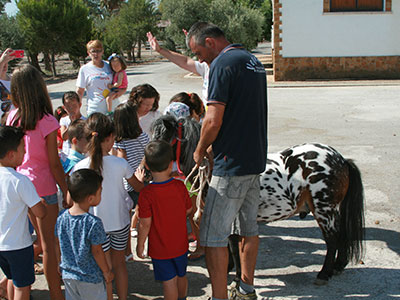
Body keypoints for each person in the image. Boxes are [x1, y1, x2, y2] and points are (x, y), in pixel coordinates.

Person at [187, 22, 268, 300]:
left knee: (211, 238)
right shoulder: (252, 61)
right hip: (254, 161)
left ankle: (219, 296)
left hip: (230, 164)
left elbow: (212, 119)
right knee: (249, 229)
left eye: (197, 52)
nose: (199, 59)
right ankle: (246, 289)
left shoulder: (222, 64)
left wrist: (199, 150)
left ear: (210, 42)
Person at [6, 65, 69, 300]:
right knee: (49, 245)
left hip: (18, 185)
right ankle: (56, 293)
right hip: (42, 189)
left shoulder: (13, 116)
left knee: (23, 240)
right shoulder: (47, 121)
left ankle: (10, 286)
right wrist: (66, 188)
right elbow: (54, 163)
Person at [72, 113, 144, 300]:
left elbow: (70, 199)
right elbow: (137, 186)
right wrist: (142, 179)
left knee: (102, 267)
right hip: (120, 222)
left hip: (94, 226)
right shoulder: (120, 163)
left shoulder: (80, 166)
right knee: (119, 264)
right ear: (110, 137)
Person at [136, 140, 192, 300]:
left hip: (160, 248)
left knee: (169, 281)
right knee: (181, 275)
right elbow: (189, 210)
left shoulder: (147, 194)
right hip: (181, 244)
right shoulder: (180, 186)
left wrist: (140, 244)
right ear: (171, 164)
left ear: (146, 166)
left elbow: (145, 223)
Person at [0, 126, 47, 300]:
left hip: (1, 246)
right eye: (23, 150)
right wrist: (40, 203)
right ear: (11, 154)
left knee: (12, 279)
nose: (25, 153)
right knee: (23, 287)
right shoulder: (20, 181)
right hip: (18, 246)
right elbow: (40, 213)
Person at [55, 169, 114, 300]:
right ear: (91, 198)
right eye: (100, 192)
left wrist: (60, 261)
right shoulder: (93, 223)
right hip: (90, 277)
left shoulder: (61, 218)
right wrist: (106, 271)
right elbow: (97, 251)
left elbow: (57, 242)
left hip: (69, 275)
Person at [112, 102, 150, 240]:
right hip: (144, 178)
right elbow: (148, 154)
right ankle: (142, 241)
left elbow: (122, 163)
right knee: (144, 212)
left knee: (125, 215)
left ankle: (127, 244)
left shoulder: (120, 142)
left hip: (128, 183)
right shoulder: (143, 136)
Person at [147, 32, 209, 107]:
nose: (200, 60)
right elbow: (185, 61)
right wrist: (160, 50)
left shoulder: (222, 67)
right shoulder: (206, 66)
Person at [76, 40, 126, 116]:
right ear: (88, 53)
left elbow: (123, 80)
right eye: (93, 51)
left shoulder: (110, 66)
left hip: (113, 108)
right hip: (96, 110)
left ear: (102, 51)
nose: (96, 54)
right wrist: (77, 110)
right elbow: (80, 91)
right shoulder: (84, 69)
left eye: (99, 51)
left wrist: (122, 91)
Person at [59, 91, 86, 155]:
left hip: (81, 154)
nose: (71, 109)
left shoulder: (85, 121)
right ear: (64, 108)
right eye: (68, 106)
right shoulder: (64, 120)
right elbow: (64, 137)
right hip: (67, 154)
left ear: (79, 105)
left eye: (74, 105)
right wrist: (72, 123)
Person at [0, 48, 17, 124]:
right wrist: (2, 61)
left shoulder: (14, 79)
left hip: (15, 122)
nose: (4, 65)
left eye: (6, 62)